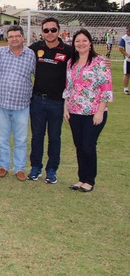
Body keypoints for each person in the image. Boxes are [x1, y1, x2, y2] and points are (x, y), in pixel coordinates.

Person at [64, 29, 113, 193]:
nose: (81, 44)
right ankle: (81, 178)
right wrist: (66, 107)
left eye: (84, 40)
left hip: (93, 112)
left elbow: (106, 88)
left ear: (90, 42)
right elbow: (68, 87)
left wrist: (100, 111)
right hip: (74, 111)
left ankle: (90, 180)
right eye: (78, 41)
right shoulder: (71, 62)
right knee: (79, 145)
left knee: (88, 145)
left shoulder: (99, 62)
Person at [27, 17, 74, 184]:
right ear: (42, 32)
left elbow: (85, 58)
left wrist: (101, 60)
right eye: (46, 30)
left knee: (55, 137)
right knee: (37, 136)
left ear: (58, 31)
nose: (49, 33)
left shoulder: (68, 50)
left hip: (57, 102)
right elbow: (17, 51)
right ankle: (36, 167)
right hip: (38, 100)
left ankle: (52, 169)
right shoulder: (35, 48)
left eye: (53, 30)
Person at [0, 26, 36, 181]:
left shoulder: (31, 55)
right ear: (7, 38)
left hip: (22, 104)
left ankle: (19, 168)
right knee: (2, 137)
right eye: (11, 36)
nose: (14, 39)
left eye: (17, 36)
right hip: (1, 102)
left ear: (23, 37)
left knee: (21, 139)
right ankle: (3, 165)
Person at [119, 26, 130, 95]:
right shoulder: (124, 38)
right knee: (126, 74)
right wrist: (127, 54)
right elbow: (120, 48)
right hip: (128, 60)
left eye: (128, 31)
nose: (126, 32)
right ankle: (125, 89)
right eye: (126, 31)